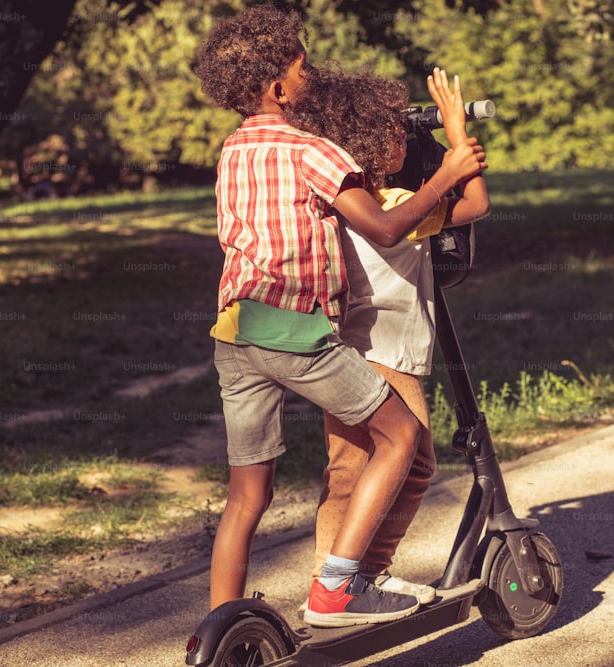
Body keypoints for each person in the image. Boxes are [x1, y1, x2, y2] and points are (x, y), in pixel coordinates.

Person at [193, 5, 487, 628]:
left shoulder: (232, 149)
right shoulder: (312, 150)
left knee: (247, 496)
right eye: (301, 68)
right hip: (296, 331)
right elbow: (384, 225)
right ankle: (338, 587)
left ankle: (221, 628)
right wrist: (449, 172)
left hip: (234, 329)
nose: (310, 77)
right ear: (277, 87)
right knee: (401, 435)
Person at [282, 65, 490, 607]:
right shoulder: (396, 206)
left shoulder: (340, 203)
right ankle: (360, 576)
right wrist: (455, 136)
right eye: (396, 130)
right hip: (385, 353)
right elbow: (476, 206)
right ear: (374, 142)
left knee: (348, 467)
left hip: (341, 351)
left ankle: (330, 582)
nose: (405, 137)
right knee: (414, 461)